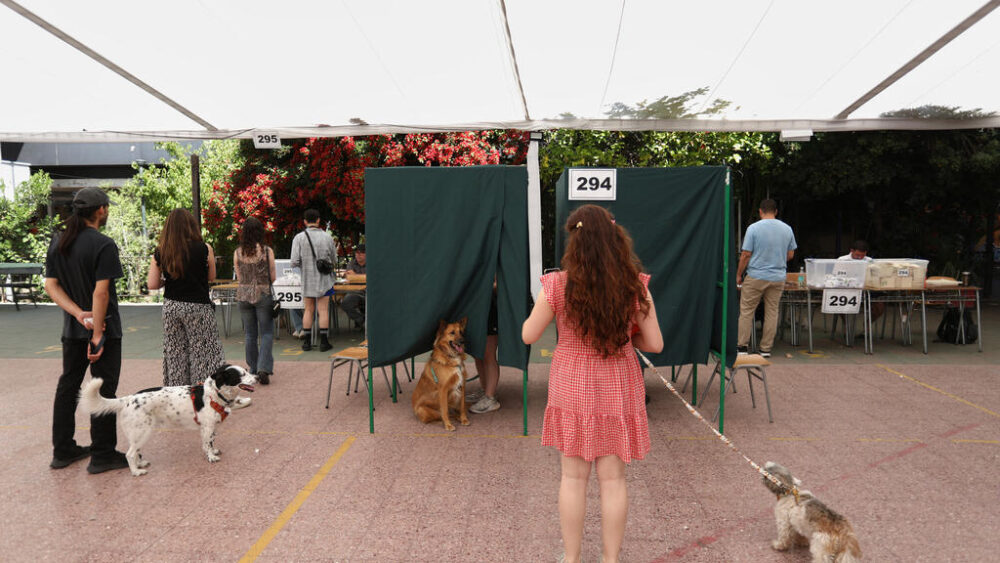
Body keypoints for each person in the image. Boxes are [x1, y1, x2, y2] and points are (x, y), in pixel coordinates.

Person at [522, 204, 663, 563]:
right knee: (613, 480)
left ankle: (571, 559)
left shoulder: (557, 285)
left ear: (575, 241)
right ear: (615, 238)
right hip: (619, 380)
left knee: (573, 478)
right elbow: (655, 343)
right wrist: (627, 337)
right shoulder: (635, 286)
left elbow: (528, 335)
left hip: (572, 380)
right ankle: (610, 559)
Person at [44, 187, 130, 473]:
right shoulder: (103, 245)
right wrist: (97, 335)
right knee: (103, 387)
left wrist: (78, 314)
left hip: (73, 329)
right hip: (103, 330)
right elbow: (100, 293)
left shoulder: (59, 241)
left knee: (68, 385)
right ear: (101, 210)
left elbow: (51, 286)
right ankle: (103, 454)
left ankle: (62, 450)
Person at [147, 208, 226, 387]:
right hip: (199, 307)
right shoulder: (205, 248)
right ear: (191, 226)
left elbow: (152, 284)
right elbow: (211, 277)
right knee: (203, 352)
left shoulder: (161, 251)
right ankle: (203, 391)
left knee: (175, 353)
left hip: (172, 306)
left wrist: (169, 280)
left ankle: (177, 393)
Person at [736, 198, 797, 358]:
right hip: (778, 276)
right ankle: (765, 349)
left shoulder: (753, 228)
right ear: (776, 211)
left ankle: (742, 347)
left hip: (756, 275)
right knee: (772, 311)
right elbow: (790, 254)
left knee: (747, 311)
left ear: (760, 211)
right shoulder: (787, 229)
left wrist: (739, 274)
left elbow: (746, 254)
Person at [234, 217, 277, 384]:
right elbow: (273, 276)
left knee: (250, 334)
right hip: (263, 293)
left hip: (243, 295)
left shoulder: (238, 252)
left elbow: (239, 277)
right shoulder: (267, 251)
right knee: (266, 332)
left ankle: (252, 367)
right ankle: (263, 368)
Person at [290, 209, 337, 351]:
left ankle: (307, 343)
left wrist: (305, 264)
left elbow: (294, 261)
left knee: (308, 310)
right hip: (325, 280)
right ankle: (324, 342)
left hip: (307, 279)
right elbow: (334, 259)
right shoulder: (327, 237)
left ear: (305, 221)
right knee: (323, 310)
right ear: (318, 220)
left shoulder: (299, 238)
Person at [467, 275, 500, 414]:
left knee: (488, 355)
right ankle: (484, 390)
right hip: (476, 310)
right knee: (478, 354)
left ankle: (490, 398)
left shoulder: (495, 264)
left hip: (490, 310)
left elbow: (500, 285)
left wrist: (483, 287)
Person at [340, 243, 366, 330]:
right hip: (354, 291)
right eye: (356, 253)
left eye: (361, 253)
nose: (358, 255)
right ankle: (361, 319)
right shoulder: (351, 263)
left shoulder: (371, 263)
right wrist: (359, 277)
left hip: (369, 291)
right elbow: (349, 278)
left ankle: (364, 321)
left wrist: (355, 276)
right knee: (345, 303)